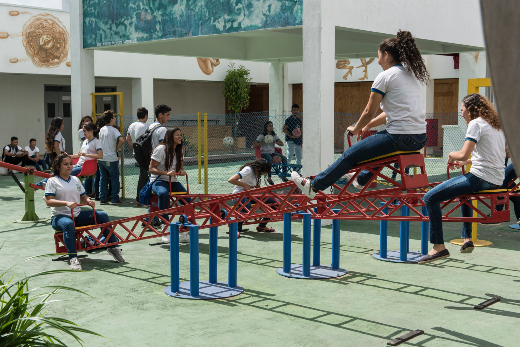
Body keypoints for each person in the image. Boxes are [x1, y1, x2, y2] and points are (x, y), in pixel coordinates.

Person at [292, 30, 429, 198]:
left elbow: (368, 111)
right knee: (379, 149)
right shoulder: (411, 75)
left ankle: (313, 186)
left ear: (386, 55)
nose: (378, 61)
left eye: (378, 56)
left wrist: (357, 128)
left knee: (349, 155)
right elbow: (390, 113)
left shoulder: (385, 76)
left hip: (400, 136)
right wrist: (369, 126)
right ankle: (362, 179)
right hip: (420, 138)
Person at [418, 94, 506, 263]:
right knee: (463, 193)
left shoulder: (475, 123)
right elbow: (490, 156)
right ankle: (467, 238)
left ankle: (438, 247)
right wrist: (467, 161)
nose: (463, 114)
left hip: (481, 177)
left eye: (463, 110)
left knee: (429, 197)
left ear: (471, 109)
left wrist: (452, 155)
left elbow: (462, 152)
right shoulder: (495, 126)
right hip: (496, 179)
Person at [45, 153, 125, 270]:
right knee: (68, 224)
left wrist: (88, 200)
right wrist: (66, 203)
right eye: (65, 164)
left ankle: (113, 247)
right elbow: (49, 201)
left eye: (71, 164)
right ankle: (73, 258)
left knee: (103, 216)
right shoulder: (52, 181)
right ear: (58, 167)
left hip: (76, 215)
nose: (69, 166)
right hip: (59, 217)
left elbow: (83, 196)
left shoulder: (75, 179)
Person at [148, 127, 191, 242]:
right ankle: (165, 229)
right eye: (177, 134)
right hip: (158, 180)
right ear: (170, 137)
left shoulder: (179, 149)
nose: (180, 137)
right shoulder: (161, 149)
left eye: (180, 134)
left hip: (172, 180)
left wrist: (181, 170)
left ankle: (184, 231)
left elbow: (180, 165)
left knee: (188, 200)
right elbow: (151, 168)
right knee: (163, 193)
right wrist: (166, 173)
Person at [36, 122, 103, 189]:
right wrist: (68, 156)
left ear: (91, 130)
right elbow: (80, 155)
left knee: (63, 173)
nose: (83, 133)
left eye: (84, 131)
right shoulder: (85, 141)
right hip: (79, 165)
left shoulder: (96, 142)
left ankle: (42, 185)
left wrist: (86, 154)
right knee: (58, 171)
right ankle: (39, 185)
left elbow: (100, 156)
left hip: (86, 167)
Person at [228, 158, 278, 235]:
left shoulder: (256, 172)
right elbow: (231, 180)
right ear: (259, 168)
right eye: (263, 172)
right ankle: (236, 228)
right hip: (239, 194)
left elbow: (251, 183)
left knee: (275, 202)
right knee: (246, 205)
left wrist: (256, 187)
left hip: (251, 195)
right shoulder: (248, 170)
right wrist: (245, 185)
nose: (262, 174)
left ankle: (262, 225)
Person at [98, 110, 124, 205]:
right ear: (111, 119)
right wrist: (117, 148)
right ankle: (114, 198)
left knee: (103, 178)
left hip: (101, 158)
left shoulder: (102, 129)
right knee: (114, 178)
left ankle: (103, 198)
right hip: (111, 157)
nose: (115, 118)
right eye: (114, 117)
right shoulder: (114, 130)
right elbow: (122, 140)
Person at [126, 107, 150, 206]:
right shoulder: (146, 126)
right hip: (146, 154)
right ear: (146, 116)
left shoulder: (132, 125)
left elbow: (128, 138)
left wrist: (135, 147)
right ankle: (142, 199)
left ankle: (140, 199)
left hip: (136, 153)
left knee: (143, 175)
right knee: (146, 176)